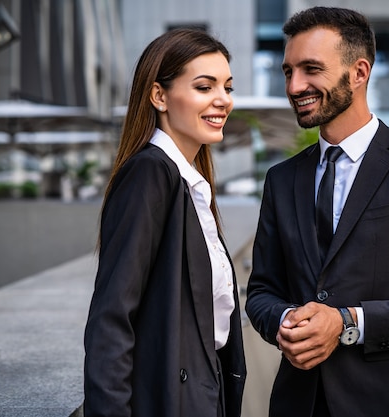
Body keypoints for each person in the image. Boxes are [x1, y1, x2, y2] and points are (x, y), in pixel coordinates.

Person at [245, 7, 389, 417]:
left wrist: (347, 322)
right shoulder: (281, 179)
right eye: (288, 71)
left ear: (359, 72)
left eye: (310, 69)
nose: (295, 85)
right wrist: (286, 322)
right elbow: (262, 291)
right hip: (298, 403)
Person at [84, 28, 246, 417]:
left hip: (206, 393)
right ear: (159, 96)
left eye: (227, 86)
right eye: (205, 87)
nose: (223, 100)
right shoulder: (149, 174)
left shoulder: (188, 181)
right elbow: (112, 316)